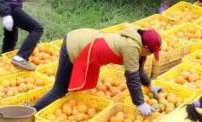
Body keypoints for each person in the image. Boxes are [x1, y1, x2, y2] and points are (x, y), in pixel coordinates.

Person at [34, 26, 163, 114]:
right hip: (75, 45)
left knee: (70, 88)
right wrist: (140, 104)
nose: (151, 55)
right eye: (151, 52)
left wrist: (150, 85)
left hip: (86, 40)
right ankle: (32, 110)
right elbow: (132, 78)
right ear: (145, 47)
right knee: (60, 89)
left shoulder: (137, 39)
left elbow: (137, 69)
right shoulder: (131, 46)